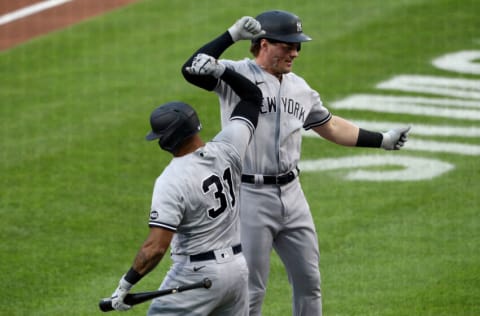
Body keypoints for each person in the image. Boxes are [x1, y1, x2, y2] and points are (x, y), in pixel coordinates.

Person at [182, 11, 410, 316]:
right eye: (288, 46)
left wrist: (381, 139)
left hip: (292, 194)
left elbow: (330, 126)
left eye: (298, 46)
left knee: (309, 281)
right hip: (249, 195)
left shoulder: (300, 88)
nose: (295, 53)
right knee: (251, 288)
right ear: (264, 44)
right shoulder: (232, 75)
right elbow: (191, 68)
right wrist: (231, 35)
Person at [104, 53, 263, 316]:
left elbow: (155, 248)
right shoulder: (228, 148)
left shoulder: (171, 180)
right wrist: (221, 70)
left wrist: (125, 284)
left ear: (167, 140)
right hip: (236, 270)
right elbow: (252, 97)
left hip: (196, 276)